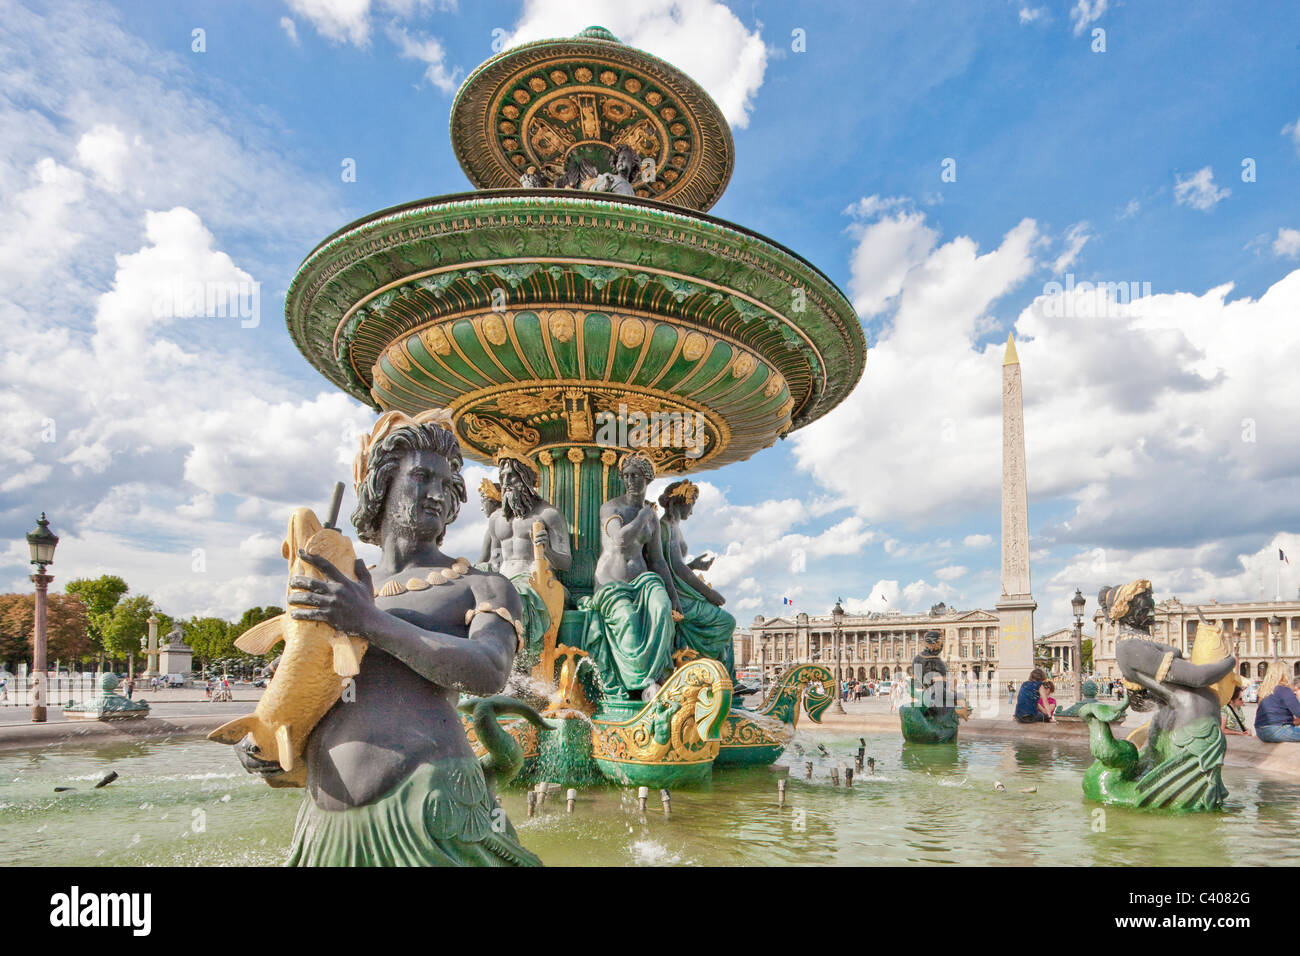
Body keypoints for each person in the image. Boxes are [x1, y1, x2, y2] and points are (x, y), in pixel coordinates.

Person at [233, 407, 540, 866]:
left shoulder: (480, 585)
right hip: (326, 825)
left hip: (431, 812)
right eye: (421, 477)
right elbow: (304, 687)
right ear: (383, 484)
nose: (437, 493)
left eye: (446, 482)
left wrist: (370, 622)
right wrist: (266, 737)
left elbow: (489, 670)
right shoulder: (339, 587)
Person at [1253, 663, 1300, 742]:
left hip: (1260, 732)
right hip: (1278, 731)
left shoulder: (1264, 691)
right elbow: (1298, 712)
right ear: (1285, 674)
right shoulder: (1284, 690)